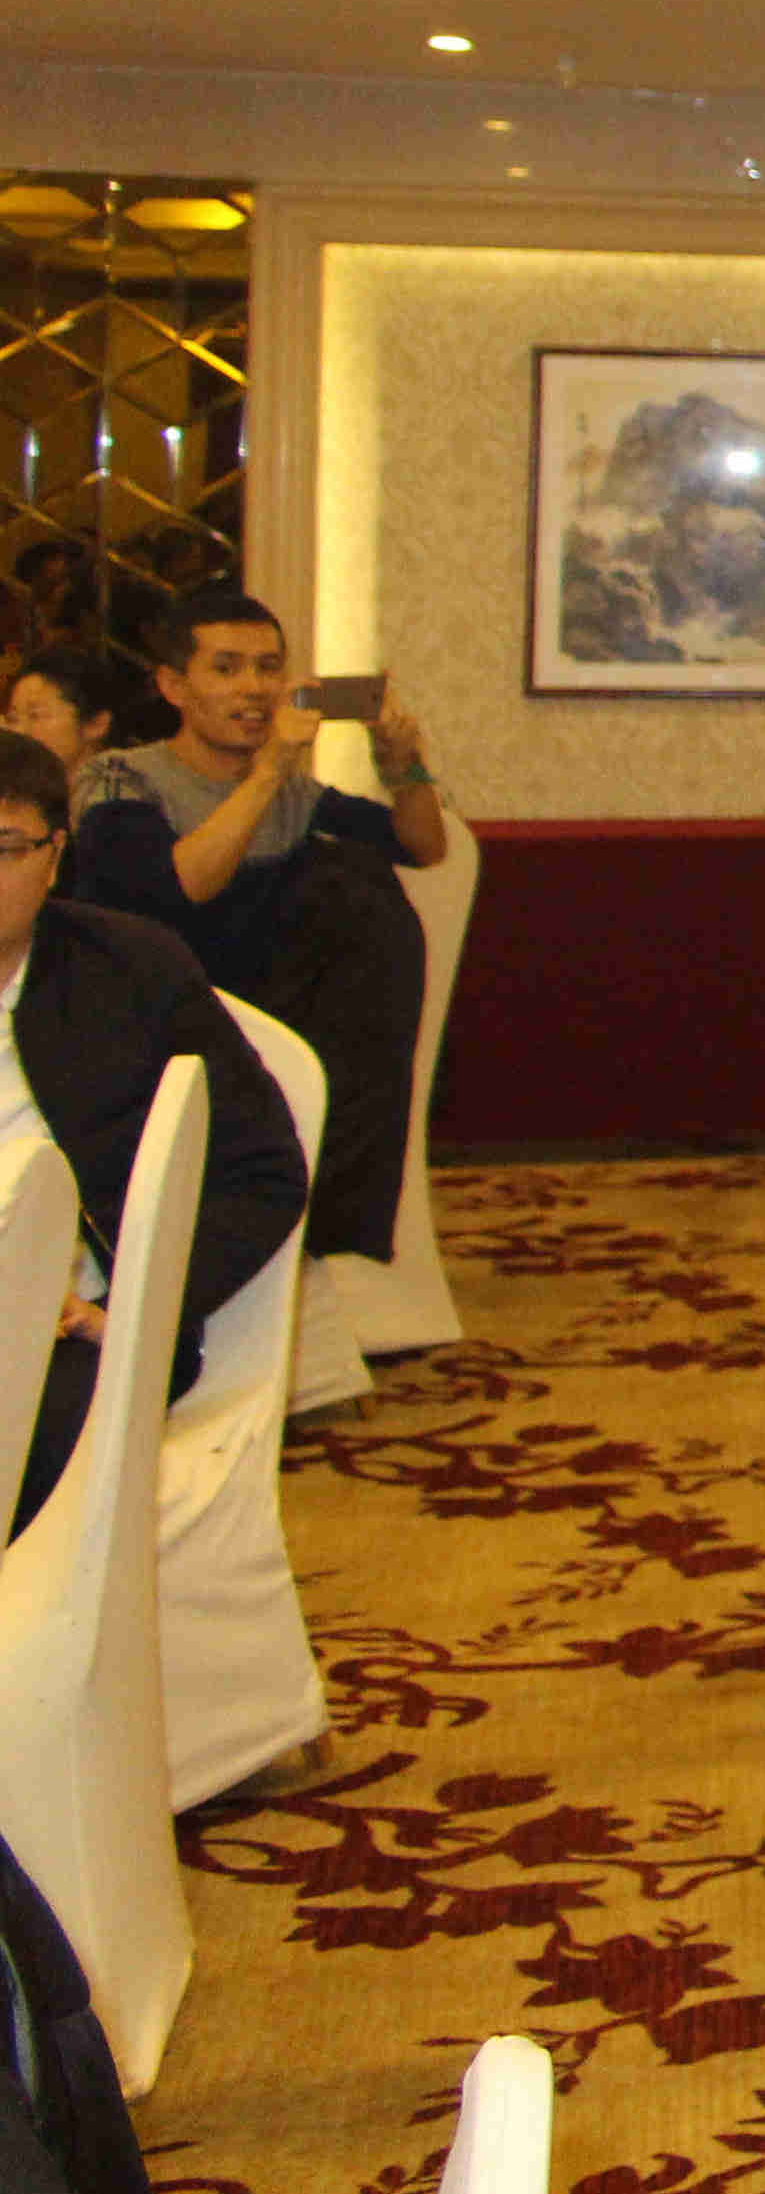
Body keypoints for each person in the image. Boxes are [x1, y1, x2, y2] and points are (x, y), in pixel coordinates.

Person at [60, 589, 442, 1265]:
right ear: (174, 686)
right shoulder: (119, 778)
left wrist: (404, 766)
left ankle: (329, 1230)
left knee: (359, 886)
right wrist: (267, 772)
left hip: (284, 1021)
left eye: (269, 668)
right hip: (154, 1024)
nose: (255, 689)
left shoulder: (294, 794)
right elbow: (181, 887)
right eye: (227, 668)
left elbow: (423, 847)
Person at [2, 730, 310, 1534]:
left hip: (74, 1333)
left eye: (5, 848)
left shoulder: (131, 970)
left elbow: (264, 1172)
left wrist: (137, 1303)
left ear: (54, 856)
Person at [1, 638, 155, 773]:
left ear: (97, 724)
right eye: (12, 718)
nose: (18, 732)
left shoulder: (120, 792)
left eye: (35, 715)